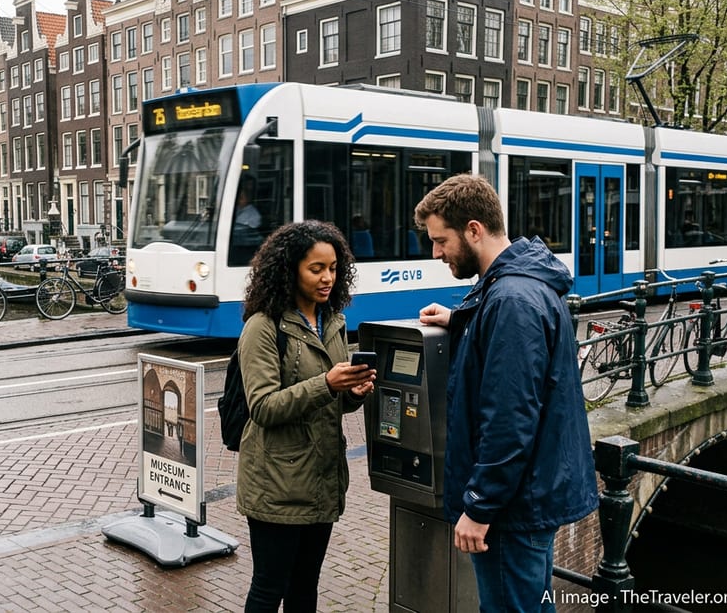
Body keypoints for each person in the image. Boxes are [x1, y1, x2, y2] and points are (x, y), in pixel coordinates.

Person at [413, 174, 598, 612]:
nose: (436, 253)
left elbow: (509, 418)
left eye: (441, 241)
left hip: (512, 508)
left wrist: (479, 508)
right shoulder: (518, 285)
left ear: (474, 230)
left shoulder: (511, 301)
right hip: (530, 494)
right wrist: (461, 321)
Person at [235, 220, 376, 612]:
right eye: (316, 269)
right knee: (268, 588)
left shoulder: (333, 322)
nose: (327, 278)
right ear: (290, 269)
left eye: (333, 268)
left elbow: (334, 401)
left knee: (305, 588)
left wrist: (354, 393)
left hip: (321, 479)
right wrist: (328, 384)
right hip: (277, 484)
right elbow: (262, 407)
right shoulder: (262, 327)